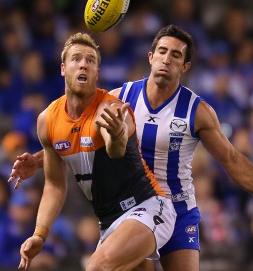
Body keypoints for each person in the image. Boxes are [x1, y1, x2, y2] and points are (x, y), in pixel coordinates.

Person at [9, 25, 253, 271]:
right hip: (123, 208)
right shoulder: (120, 98)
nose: (167, 59)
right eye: (162, 51)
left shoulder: (197, 111)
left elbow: (231, 160)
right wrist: (40, 158)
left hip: (175, 209)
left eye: (176, 56)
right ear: (150, 57)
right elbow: (80, 136)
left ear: (185, 66)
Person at [12, 32, 176, 271]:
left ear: (97, 73)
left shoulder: (110, 109)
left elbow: (116, 149)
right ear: (63, 68)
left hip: (146, 206)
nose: (83, 64)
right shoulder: (47, 120)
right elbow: (55, 185)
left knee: (96, 267)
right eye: (76, 59)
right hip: (109, 221)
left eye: (90, 61)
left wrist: (118, 134)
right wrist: (39, 234)